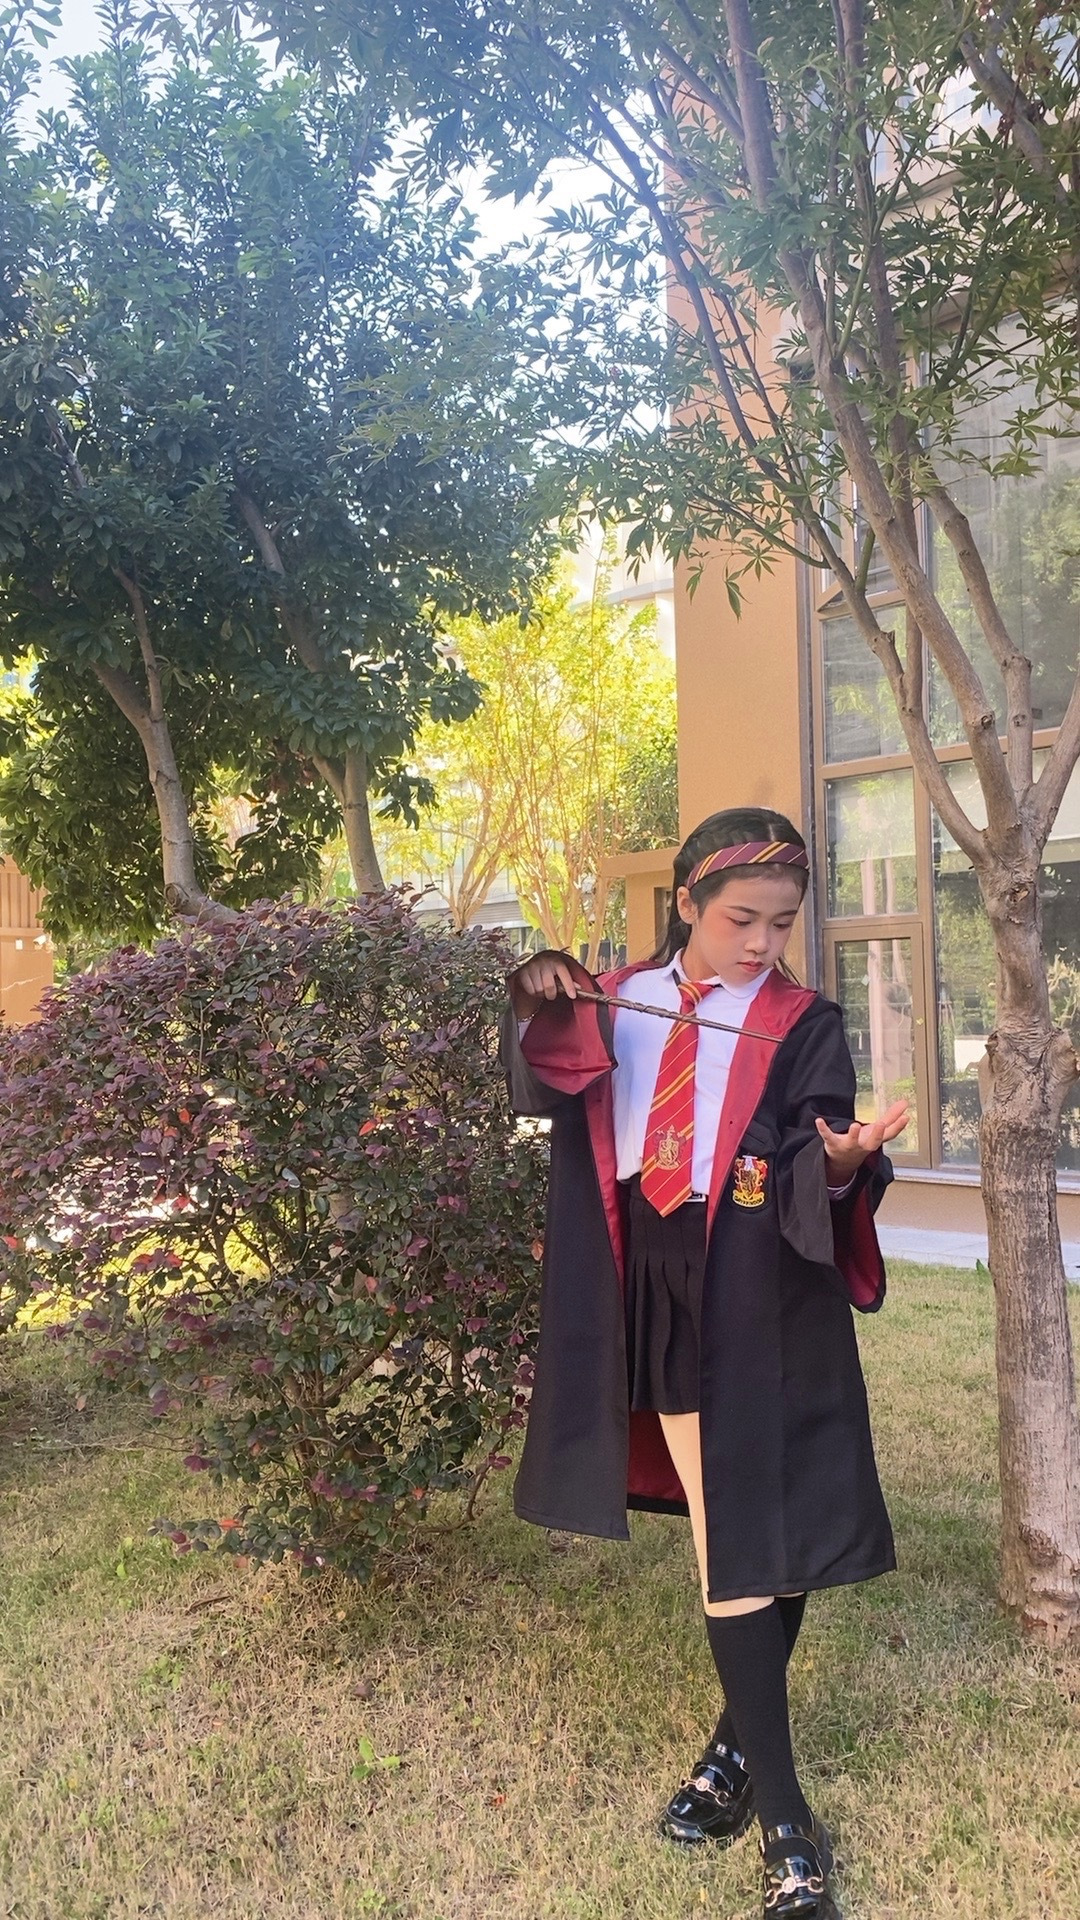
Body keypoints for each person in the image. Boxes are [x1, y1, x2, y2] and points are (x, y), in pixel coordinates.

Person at [501, 807, 907, 1920]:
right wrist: (532, 994)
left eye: (782, 922)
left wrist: (841, 1164)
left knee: (778, 1539)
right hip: (656, 1280)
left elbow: (818, 1155)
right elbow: (539, 1080)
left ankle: (730, 1754)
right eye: (741, 920)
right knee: (735, 1539)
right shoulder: (613, 1001)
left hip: (765, 1288)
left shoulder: (801, 1022)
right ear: (686, 903)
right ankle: (788, 1825)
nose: (763, 943)